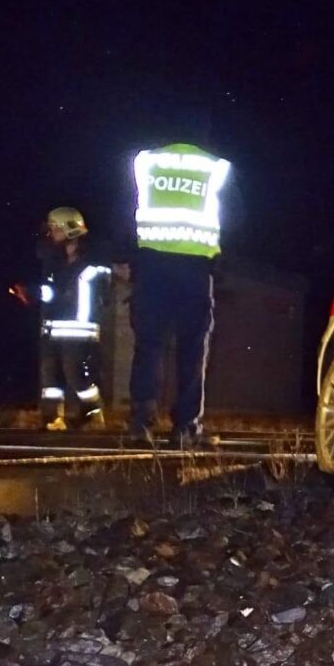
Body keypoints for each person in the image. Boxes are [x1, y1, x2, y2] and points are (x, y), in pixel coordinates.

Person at [126, 142, 232, 447]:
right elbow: (237, 215)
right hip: (194, 269)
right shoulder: (215, 166)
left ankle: (140, 424)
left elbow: (124, 209)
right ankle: (185, 428)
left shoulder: (146, 161)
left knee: (148, 346)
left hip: (151, 268)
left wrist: (129, 258)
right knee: (192, 350)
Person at [37, 206, 110, 430]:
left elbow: (102, 292)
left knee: (75, 373)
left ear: (69, 230)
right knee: (50, 375)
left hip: (81, 330)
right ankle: (52, 417)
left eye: (55, 229)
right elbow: (50, 294)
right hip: (53, 328)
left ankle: (93, 413)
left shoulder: (94, 262)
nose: (51, 234)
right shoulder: (53, 262)